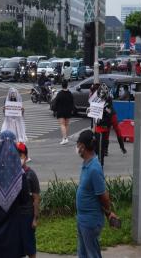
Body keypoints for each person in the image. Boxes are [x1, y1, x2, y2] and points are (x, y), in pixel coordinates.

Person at [75, 130, 119, 258]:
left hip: (90, 221)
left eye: (78, 145)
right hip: (83, 219)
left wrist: (108, 213)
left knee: (92, 254)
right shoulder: (86, 164)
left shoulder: (94, 168)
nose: (77, 148)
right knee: (83, 254)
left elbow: (103, 196)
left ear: (83, 147)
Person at [16, 142, 41, 258]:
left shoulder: (31, 174)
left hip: (27, 216)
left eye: (20, 155)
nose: (17, 158)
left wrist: (35, 218)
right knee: (16, 248)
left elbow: (36, 198)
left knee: (30, 247)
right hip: (15, 216)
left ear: (25, 157)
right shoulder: (11, 174)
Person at [53, 79, 74, 145]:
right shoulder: (70, 93)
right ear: (67, 85)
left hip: (61, 111)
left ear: (62, 85)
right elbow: (72, 103)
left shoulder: (59, 94)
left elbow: (55, 103)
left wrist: (54, 110)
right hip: (68, 111)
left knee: (62, 125)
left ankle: (65, 138)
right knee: (66, 125)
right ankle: (65, 138)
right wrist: (72, 110)